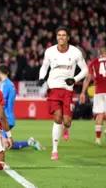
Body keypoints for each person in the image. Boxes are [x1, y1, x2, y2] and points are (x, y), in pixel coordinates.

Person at [38, 26, 88, 160]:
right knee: (57, 118)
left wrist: (75, 79)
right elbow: (44, 67)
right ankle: (54, 150)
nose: (61, 37)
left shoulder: (75, 52)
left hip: (67, 90)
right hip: (53, 87)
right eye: (59, 35)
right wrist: (41, 79)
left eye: (64, 35)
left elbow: (85, 70)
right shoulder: (49, 51)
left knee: (67, 122)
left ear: (68, 38)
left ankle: (66, 128)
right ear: (56, 37)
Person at [0, 64, 43, 151]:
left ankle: (30, 142)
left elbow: (2, 101)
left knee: (4, 144)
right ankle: (30, 142)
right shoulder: (11, 84)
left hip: (5, 118)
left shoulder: (5, 85)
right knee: (5, 142)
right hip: (9, 117)